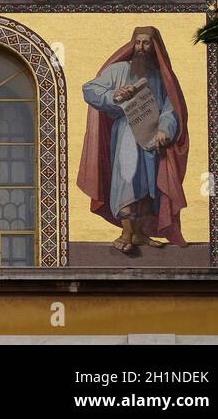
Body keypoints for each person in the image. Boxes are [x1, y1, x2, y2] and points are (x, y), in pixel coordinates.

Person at [79, 26, 189, 255]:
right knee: (127, 180)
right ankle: (126, 232)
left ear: (154, 47)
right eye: (137, 43)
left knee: (149, 186)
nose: (141, 47)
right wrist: (114, 95)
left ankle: (139, 233)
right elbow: (90, 89)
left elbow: (171, 109)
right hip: (127, 134)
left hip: (152, 138)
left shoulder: (161, 78)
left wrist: (165, 131)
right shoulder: (119, 70)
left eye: (146, 43)